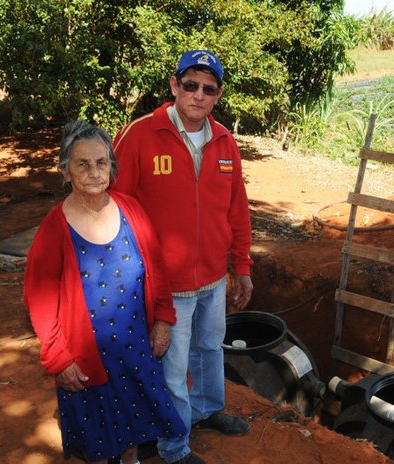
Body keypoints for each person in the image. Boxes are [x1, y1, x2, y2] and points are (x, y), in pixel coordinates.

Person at [111, 49, 253, 464]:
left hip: (212, 276)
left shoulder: (225, 141)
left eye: (208, 89)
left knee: (210, 350)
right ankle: (174, 447)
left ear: (218, 95)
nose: (198, 95)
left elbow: (237, 210)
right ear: (174, 86)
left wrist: (241, 266)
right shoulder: (140, 134)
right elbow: (114, 209)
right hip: (164, 284)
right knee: (171, 368)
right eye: (190, 85)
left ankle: (207, 410)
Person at [23, 120, 187, 464]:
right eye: (82, 164)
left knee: (132, 431)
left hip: (136, 350)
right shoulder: (54, 229)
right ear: (66, 171)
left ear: (111, 167)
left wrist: (163, 321)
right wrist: (58, 359)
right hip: (85, 360)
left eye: (101, 162)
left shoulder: (131, 209)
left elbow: (156, 268)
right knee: (98, 441)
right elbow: (38, 302)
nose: (94, 171)